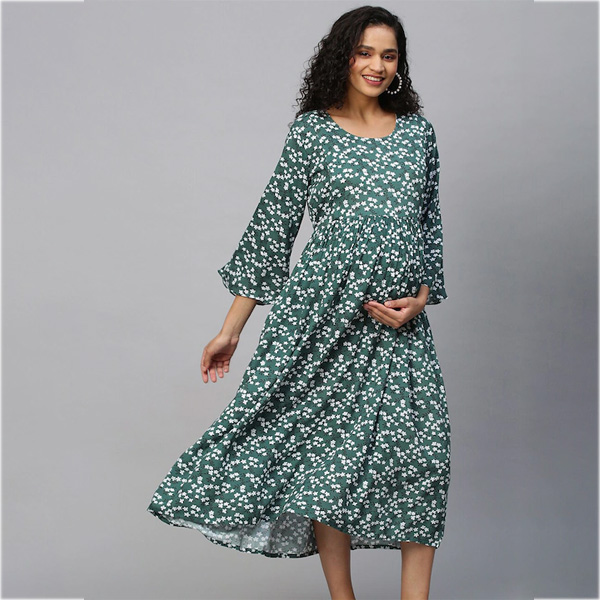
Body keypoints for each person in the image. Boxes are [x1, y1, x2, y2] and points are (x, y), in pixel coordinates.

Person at [147, 5, 451, 600]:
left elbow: (428, 226)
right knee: (325, 466)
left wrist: (420, 298)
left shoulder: (418, 133)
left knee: (423, 458)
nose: (377, 65)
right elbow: (272, 228)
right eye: (365, 52)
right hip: (321, 318)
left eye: (389, 55)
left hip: (396, 327)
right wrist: (231, 329)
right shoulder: (313, 131)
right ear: (344, 56)